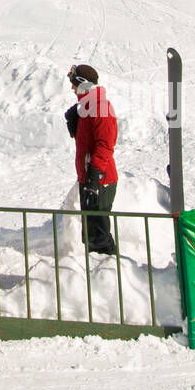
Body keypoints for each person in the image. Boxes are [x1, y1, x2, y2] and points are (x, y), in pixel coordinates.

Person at [65, 63, 118, 255]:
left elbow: (105, 145)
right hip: (89, 177)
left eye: (74, 84)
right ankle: (98, 274)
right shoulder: (87, 106)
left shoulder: (101, 107)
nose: (72, 88)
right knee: (91, 233)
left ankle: (109, 274)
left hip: (100, 179)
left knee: (99, 236)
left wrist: (94, 178)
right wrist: (75, 126)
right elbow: (89, 141)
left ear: (84, 84)